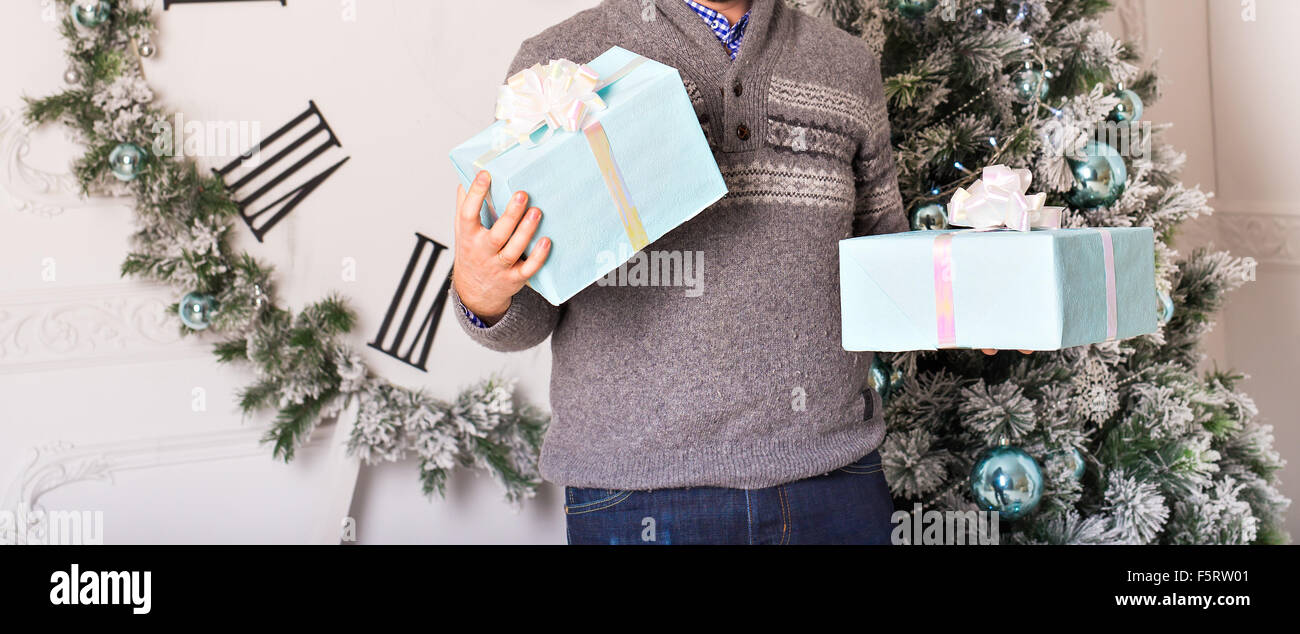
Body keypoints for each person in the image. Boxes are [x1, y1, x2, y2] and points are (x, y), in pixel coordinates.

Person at [451, 0, 908, 544]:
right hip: (635, 494)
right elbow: (529, 310)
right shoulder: (556, 66)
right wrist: (483, 292)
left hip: (834, 480)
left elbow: (886, 264)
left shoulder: (846, 63)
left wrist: (988, 308)